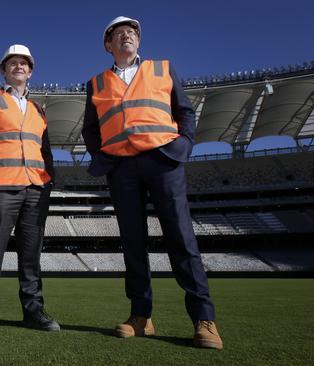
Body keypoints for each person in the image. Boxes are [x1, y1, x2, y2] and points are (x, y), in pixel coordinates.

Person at [81, 16, 223, 349]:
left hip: (163, 161)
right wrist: (104, 158)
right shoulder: (96, 83)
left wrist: (183, 144)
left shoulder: (163, 68)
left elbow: (185, 111)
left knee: (181, 237)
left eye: (132, 32)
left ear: (138, 41)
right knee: (133, 242)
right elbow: (90, 128)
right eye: (119, 33)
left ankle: (204, 319)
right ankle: (140, 316)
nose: (127, 35)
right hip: (122, 167)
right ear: (108, 44)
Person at [0, 44, 59, 335]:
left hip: (36, 188)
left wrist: (49, 183)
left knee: (31, 255)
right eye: (13, 63)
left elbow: (45, 150)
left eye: (24, 63)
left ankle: (33, 311)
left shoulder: (38, 109)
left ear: (30, 71)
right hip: (3, 187)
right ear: (3, 70)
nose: (19, 67)